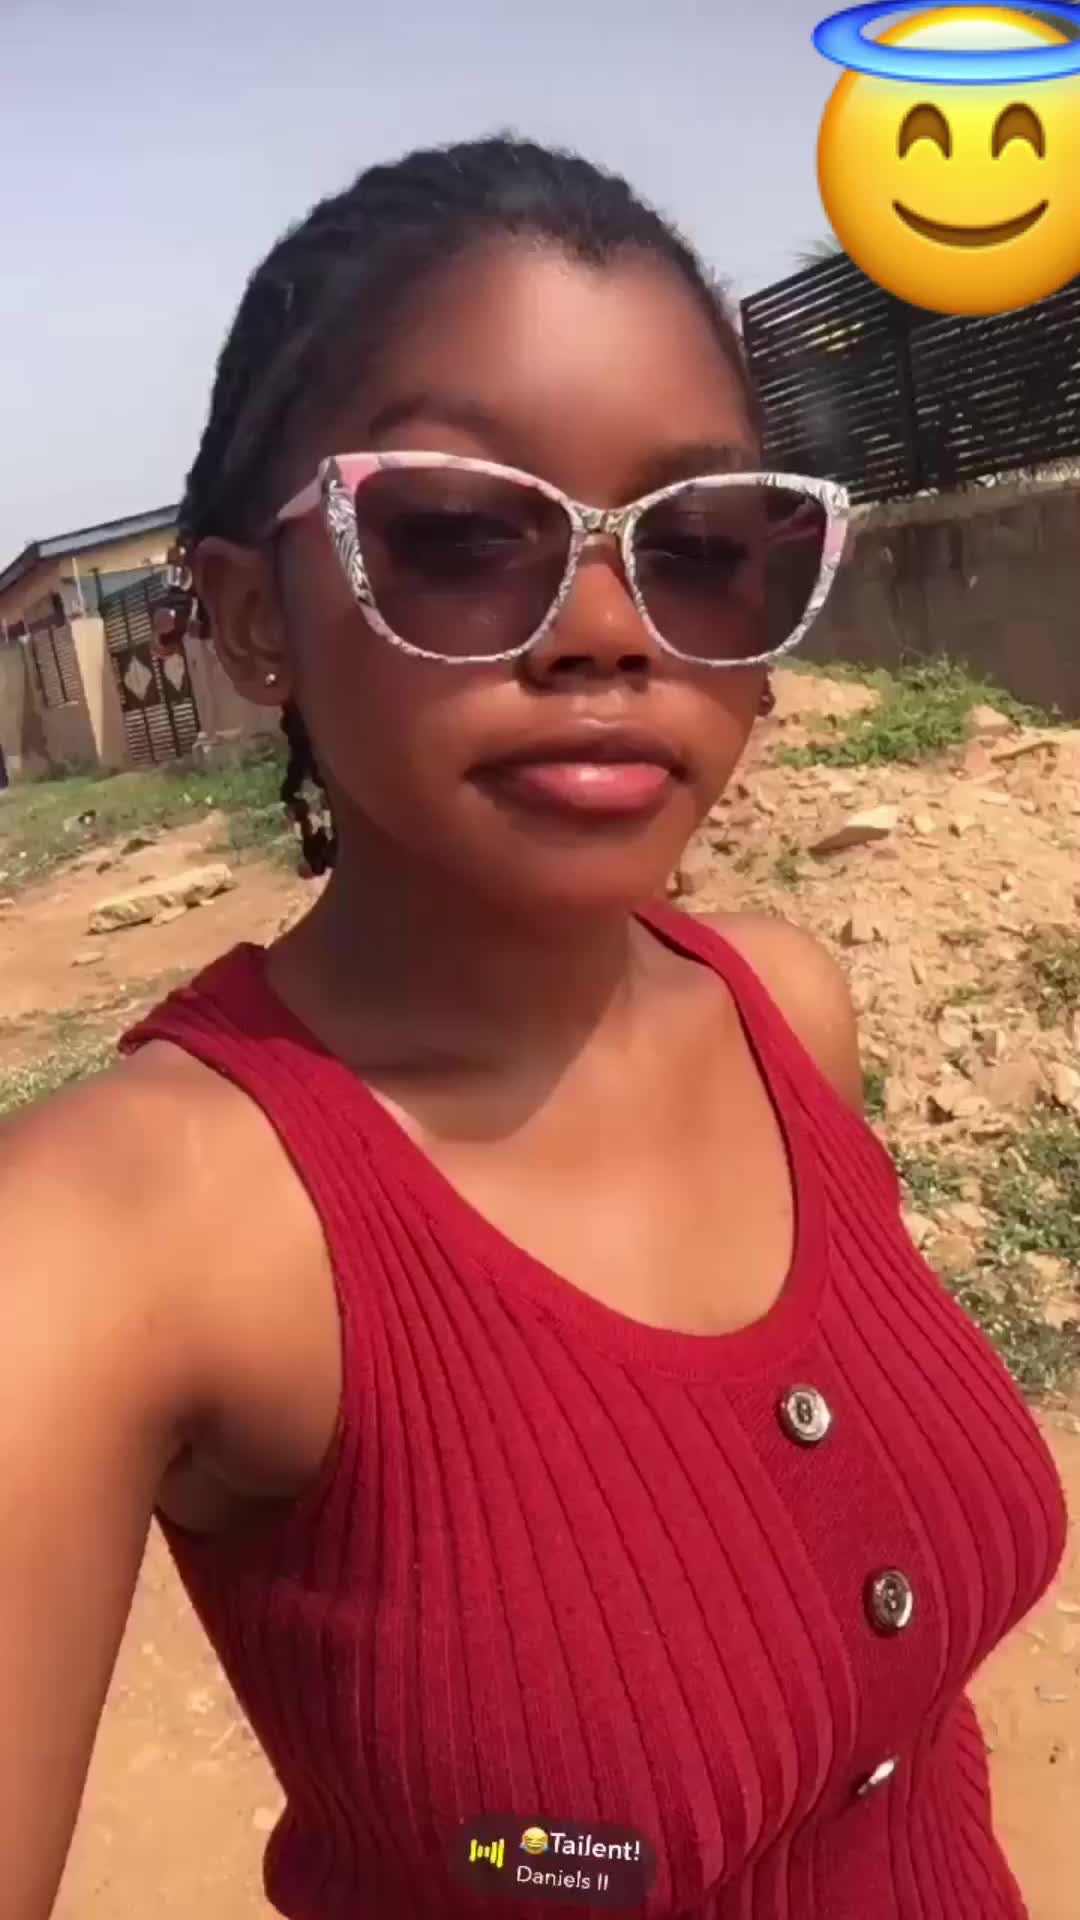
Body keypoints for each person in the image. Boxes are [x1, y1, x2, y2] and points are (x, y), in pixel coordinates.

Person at [0, 136, 1065, 1920]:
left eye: (704, 546)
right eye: (459, 537)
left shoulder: (786, 1016)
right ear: (256, 619)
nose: (607, 633)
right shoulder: (112, 1240)